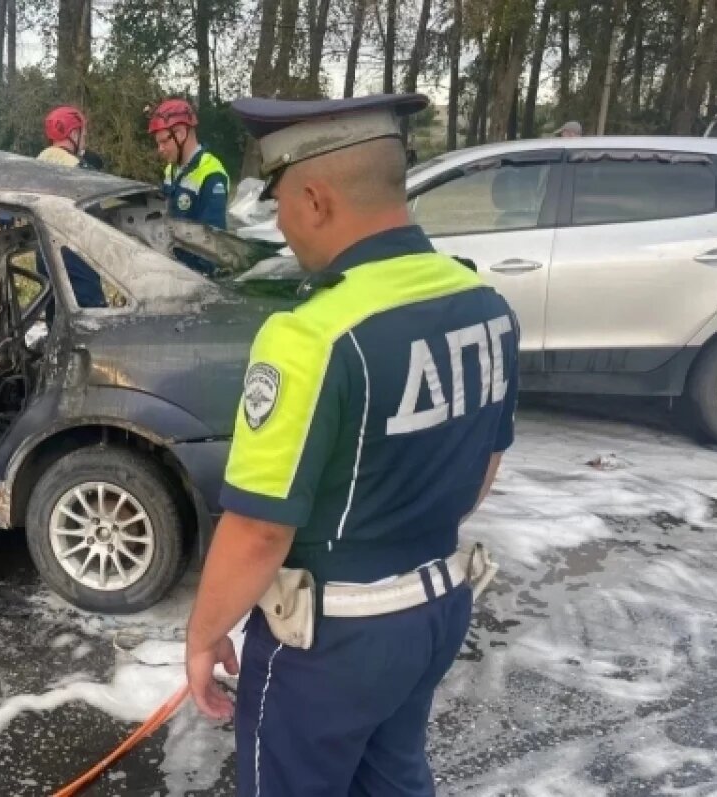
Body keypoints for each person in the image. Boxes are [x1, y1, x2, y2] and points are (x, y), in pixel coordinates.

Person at [183, 93, 520, 797]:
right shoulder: (483, 303)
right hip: (436, 607)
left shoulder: (310, 334)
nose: (277, 219)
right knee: (393, 778)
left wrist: (204, 632)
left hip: (332, 642)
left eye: (278, 200)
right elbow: (484, 466)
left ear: (314, 198)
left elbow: (259, 526)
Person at [35, 106, 106, 312]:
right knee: (91, 317)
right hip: (76, 257)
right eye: (83, 134)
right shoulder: (79, 170)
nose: (84, 140)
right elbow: (97, 217)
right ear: (73, 134)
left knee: (54, 313)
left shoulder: (35, 164)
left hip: (44, 254)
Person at [148, 98, 230, 275]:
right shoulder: (171, 169)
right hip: (171, 267)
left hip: (194, 277)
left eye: (163, 142)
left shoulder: (211, 174)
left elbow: (212, 242)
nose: (160, 149)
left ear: (181, 133)